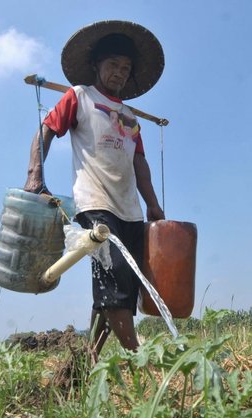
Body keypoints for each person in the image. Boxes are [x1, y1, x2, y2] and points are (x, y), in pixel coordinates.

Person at [24, 21, 165, 360]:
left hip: (129, 208)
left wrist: (153, 206)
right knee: (113, 274)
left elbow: (140, 164)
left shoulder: (130, 117)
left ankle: (90, 357)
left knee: (123, 286)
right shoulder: (80, 97)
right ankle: (137, 358)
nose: (119, 72)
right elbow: (47, 129)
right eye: (113, 64)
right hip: (95, 202)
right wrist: (34, 175)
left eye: (126, 68)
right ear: (97, 65)